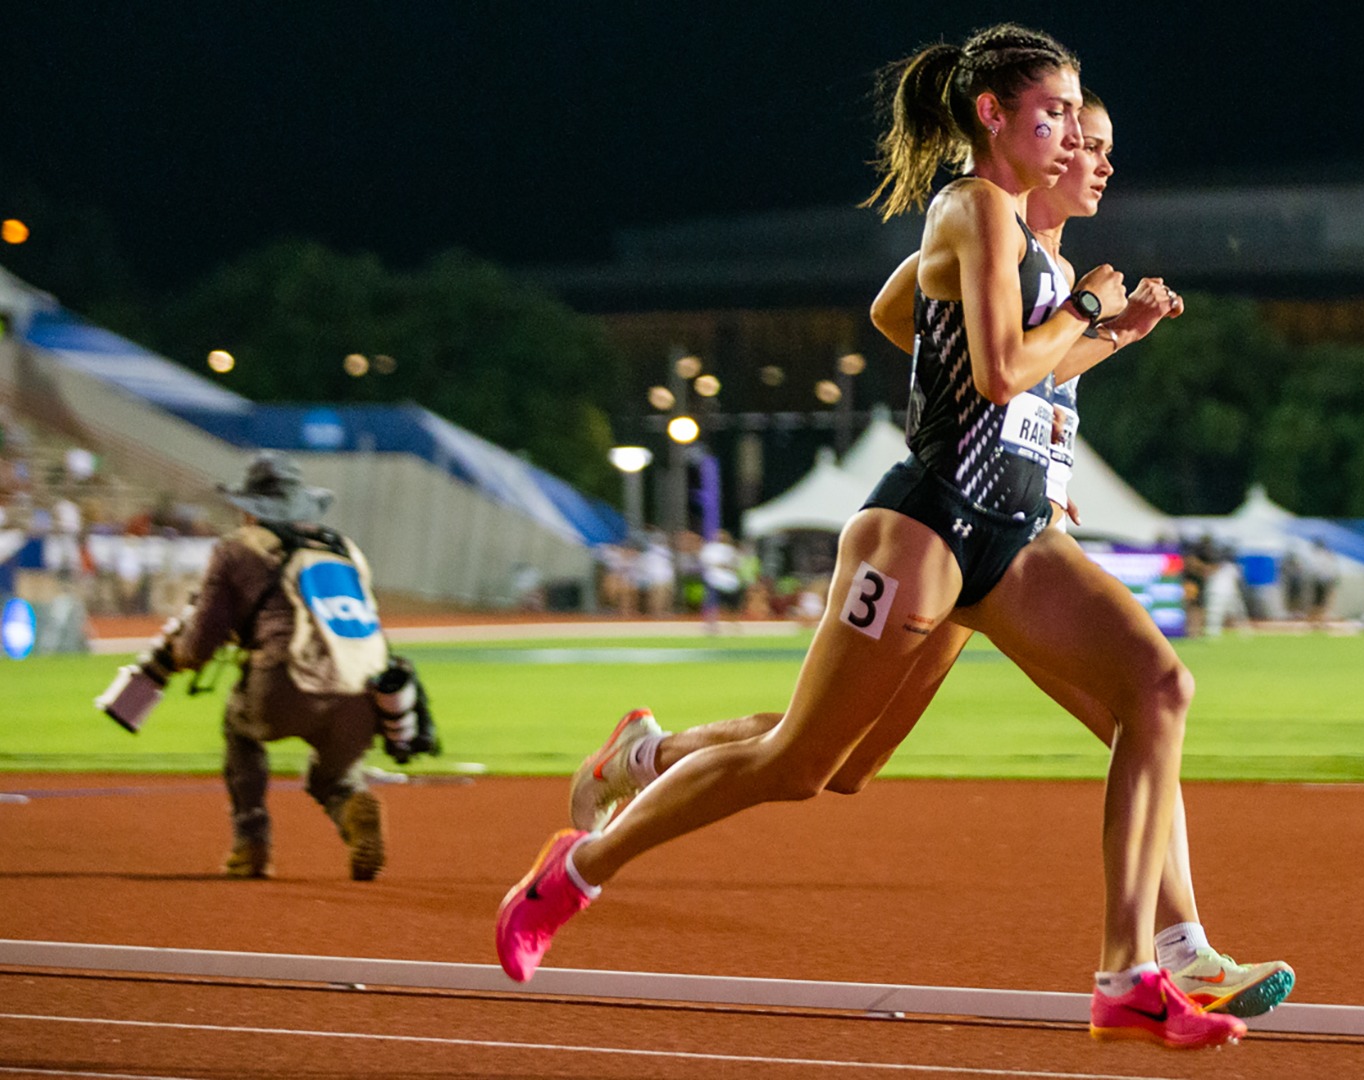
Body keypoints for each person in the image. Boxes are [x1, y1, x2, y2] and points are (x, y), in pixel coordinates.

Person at [495, 25, 1248, 1049]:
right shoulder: (971, 207)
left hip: (1015, 531)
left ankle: (1131, 971)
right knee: (802, 762)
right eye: (1059, 113)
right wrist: (1084, 313)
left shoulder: (1023, 240)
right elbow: (995, 373)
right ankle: (572, 874)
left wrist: (1088, 334)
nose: (1078, 136)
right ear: (994, 115)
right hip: (926, 525)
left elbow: (915, 321)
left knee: (1156, 689)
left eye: (1080, 116)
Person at [143, 453, 434, 880]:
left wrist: (172, 657)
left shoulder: (237, 549)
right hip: (367, 694)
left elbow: (200, 646)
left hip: (283, 685)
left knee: (239, 728)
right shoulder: (344, 548)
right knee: (331, 775)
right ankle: (353, 804)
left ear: (248, 509)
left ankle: (251, 844)